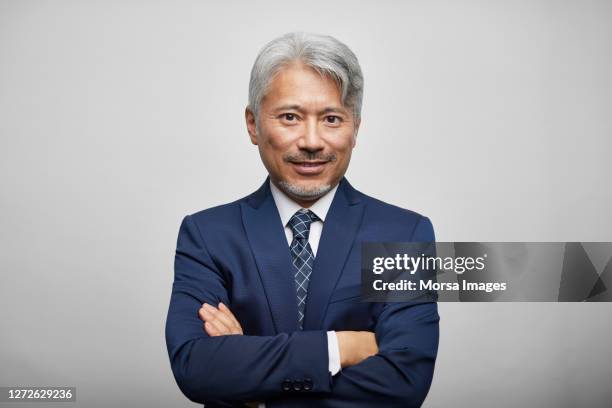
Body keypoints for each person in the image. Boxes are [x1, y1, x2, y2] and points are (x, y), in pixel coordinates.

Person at [165, 32, 439, 408]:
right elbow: (195, 367)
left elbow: (405, 383)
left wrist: (253, 388)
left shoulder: (405, 234)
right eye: (290, 117)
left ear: (355, 128)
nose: (312, 141)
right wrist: (341, 346)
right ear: (253, 124)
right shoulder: (207, 236)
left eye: (331, 118)